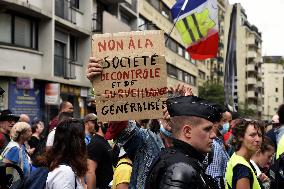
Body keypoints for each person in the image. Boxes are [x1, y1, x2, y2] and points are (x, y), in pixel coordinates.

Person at [145, 95, 221, 189]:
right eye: (207, 129)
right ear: (187, 131)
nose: (213, 135)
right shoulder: (179, 169)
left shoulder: (184, 160)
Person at [40, 118, 87, 189]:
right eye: (82, 138)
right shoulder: (64, 173)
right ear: (76, 143)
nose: (84, 143)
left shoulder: (67, 168)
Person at [225, 119, 264, 189]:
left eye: (260, 135)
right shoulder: (242, 168)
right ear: (240, 137)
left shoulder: (236, 156)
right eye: (252, 135)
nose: (258, 139)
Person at [206, 108, 230, 189]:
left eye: (229, 121)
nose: (227, 124)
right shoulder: (215, 146)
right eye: (224, 120)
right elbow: (214, 178)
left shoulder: (219, 142)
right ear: (216, 123)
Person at [86, 121, 113, 189]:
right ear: (99, 124)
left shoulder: (103, 140)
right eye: (106, 124)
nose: (109, 126)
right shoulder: (96, 143)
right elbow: (90, 171)